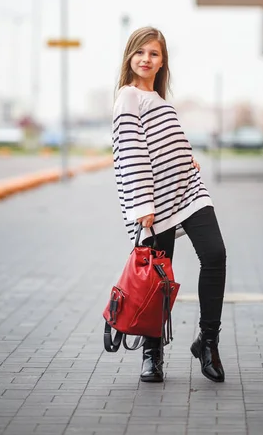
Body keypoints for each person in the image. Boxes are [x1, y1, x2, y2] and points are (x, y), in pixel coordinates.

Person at [112, 26, 226, 383]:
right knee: (158, 279)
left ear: (163, 62)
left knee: (215, 255)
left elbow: (164, 143)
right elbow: (130, 153)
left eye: (154, 54)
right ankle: (152, 353)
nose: (146, 59)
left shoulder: (161, 101)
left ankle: (208, 341)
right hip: (155, 203)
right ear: (130, 57)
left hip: (189, 192)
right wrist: (142, 204)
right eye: (140, 52)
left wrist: (186, 158)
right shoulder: (127, 97)